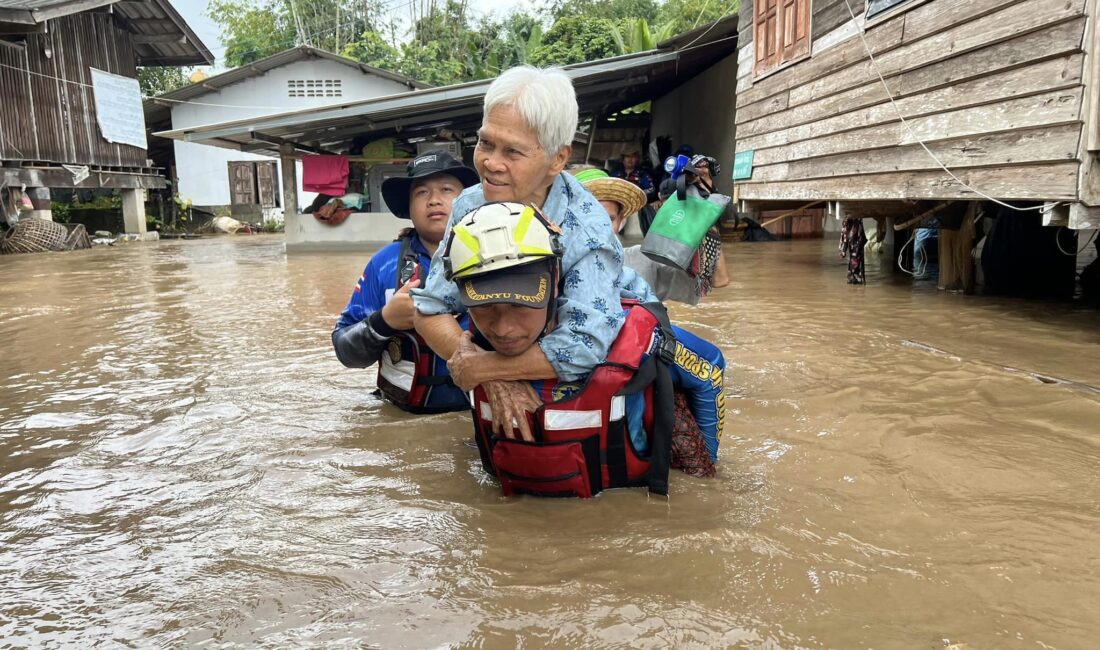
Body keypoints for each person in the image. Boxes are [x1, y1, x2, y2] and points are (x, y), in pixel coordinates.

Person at [413, 66, 657, 431]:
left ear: (557, 160)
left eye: (513, 151)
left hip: (609, 323)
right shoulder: (468, 206)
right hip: (521, 343)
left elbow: (586, 342)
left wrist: (486, 367)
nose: (491, 164)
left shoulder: (585, 223)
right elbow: (429, 309)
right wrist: (492, 375)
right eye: (486, 144)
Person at [442, 202, 726, 497]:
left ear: (554, 283)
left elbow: (710, 367)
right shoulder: (465, 346)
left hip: (622, 509)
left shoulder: (627, 332)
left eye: (520, 304)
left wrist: (704, 474)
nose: (503, 328)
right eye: (484, 307)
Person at [331, 150, 479, 413]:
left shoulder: (499, 255)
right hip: (402, 416)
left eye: (446, 189)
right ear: (409, 208)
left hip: (476, 417)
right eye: (421, 192)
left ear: (469, 200)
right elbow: (346, 351)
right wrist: (384, 320)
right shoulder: (384, 264)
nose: (434, 200)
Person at [571, 167, 704, 305]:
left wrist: (703, 218)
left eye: (609, 220)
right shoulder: (557, 269)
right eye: (591, 219)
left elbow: (717, 279)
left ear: (620, 220)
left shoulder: (642, 259)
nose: (602, 228)